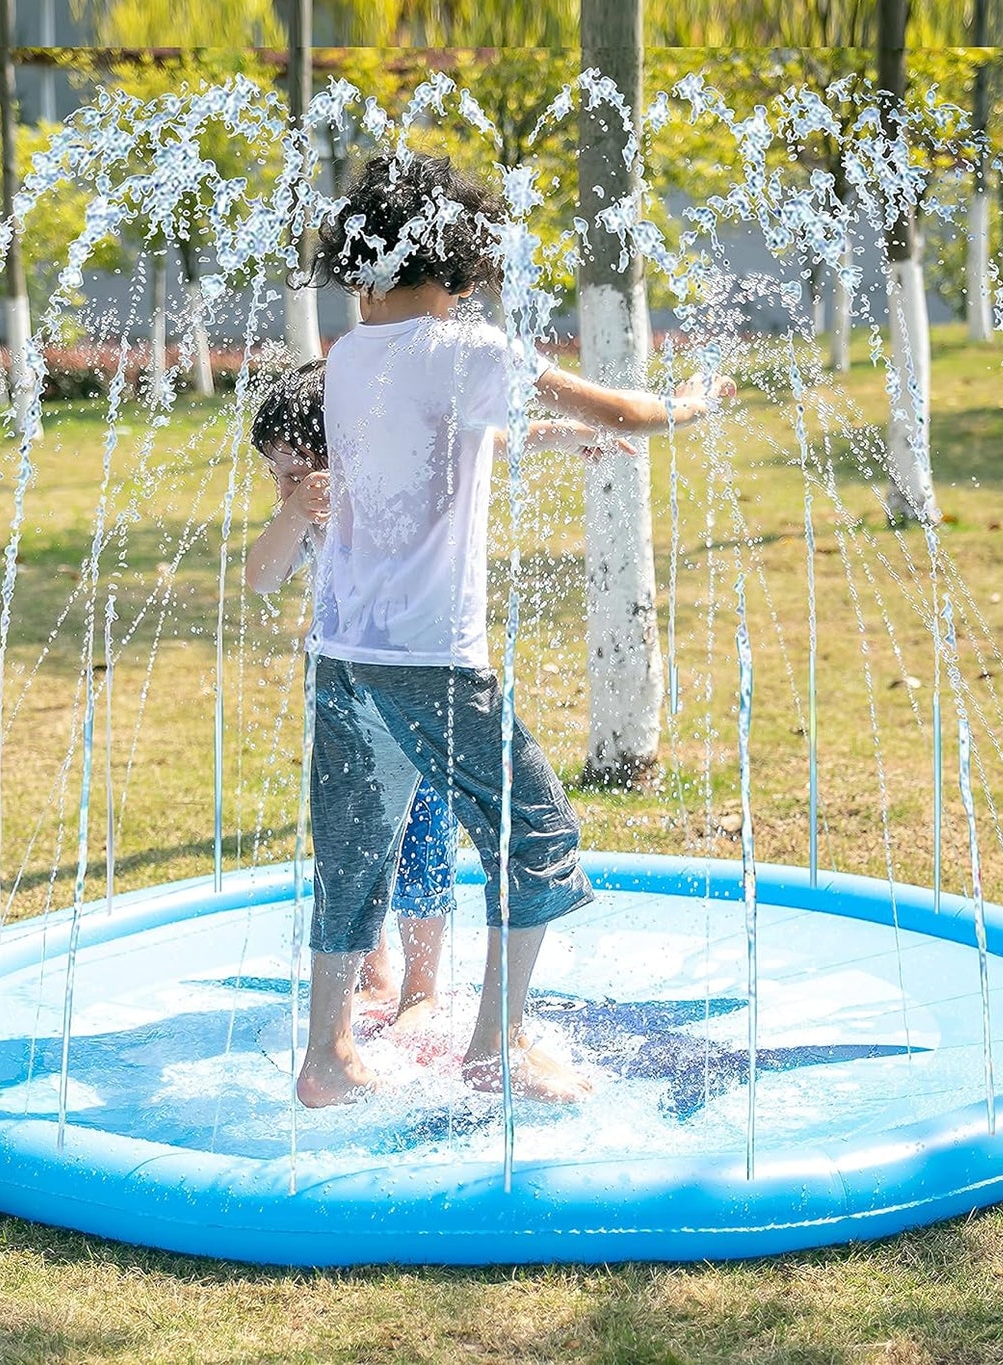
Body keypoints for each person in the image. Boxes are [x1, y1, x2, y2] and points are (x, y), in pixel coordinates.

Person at [296, 149, 732, 1108]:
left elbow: (430, 436)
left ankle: (327, 1056)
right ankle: (497, 1045)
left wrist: (543, 438)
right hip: (429, 660)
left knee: (354, 849)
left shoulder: (349, 355)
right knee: (535, 833)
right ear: (458, 264)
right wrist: (688, 406)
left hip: (341, 656)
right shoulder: (472, 348)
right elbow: (617, 405)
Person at [245, 358, 625, 1031]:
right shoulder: (311, 514)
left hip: (425, 683)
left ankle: (421, 988)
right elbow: (259, 577)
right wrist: (294, 512)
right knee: (359, 836)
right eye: (278, 473)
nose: (286, 484)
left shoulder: (412, 476)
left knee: (426, 827)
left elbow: (493, 443)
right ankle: (374, 970)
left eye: (295, 470)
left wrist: (568, 434)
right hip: (349, 692)